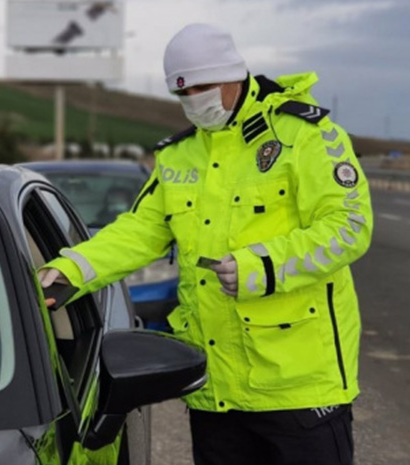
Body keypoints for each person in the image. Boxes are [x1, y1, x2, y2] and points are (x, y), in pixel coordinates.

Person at [39, 23, 371, 465]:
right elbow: (141, 231)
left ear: (235, 74)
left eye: (204, 86)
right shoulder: (177, 155)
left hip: (299, 388)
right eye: (184, 93)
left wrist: (263, 268)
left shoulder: (304, 136)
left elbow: (349, 226)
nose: (196, 100)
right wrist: (73, 268)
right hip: (215, 393)